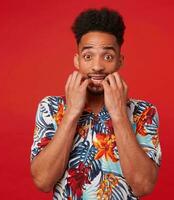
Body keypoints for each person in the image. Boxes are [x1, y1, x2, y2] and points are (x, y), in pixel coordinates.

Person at [30, 7, 162, 200]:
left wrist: (118, 114)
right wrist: (72, 112)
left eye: (107, 56)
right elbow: (43, 181)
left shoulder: (144, 112)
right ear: (77, 61)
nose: (97, 66)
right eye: (88, 56)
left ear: (120, 61)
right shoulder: (51, 108)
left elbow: (144, 185)